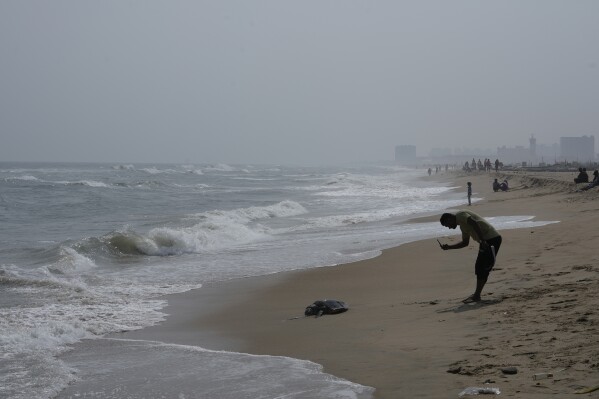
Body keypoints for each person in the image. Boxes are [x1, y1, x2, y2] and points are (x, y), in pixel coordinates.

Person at [439, 210, 502, 303]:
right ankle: (477, 295)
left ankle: (477, 295)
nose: (449, 228)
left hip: (491, 239)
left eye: (447, 225)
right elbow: (465, 243)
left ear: (449, 219)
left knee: (484, 268)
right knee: (480, 268)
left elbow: (474, 222)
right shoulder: (462, 227)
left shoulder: (460, 215)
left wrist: (482, 240)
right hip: (485, 241)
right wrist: (449, 247)